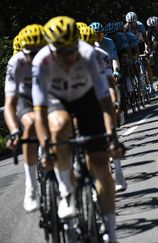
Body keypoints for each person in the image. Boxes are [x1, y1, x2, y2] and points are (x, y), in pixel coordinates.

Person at [32, 16, 124, 242]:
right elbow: (40, 111)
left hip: (87, 99)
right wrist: (46, 146)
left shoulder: (89, 55)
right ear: (50, 48)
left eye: (70, 50)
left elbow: (104, 101)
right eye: (60, 52)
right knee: (60, 127)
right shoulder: (41, 62)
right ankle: (66, 194)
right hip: (56, 101)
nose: (66, 57)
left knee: (101, 163)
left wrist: (111, 136)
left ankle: (111, 233)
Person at [77, 25, 127, 192]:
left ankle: (118, 173)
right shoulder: (65, 60)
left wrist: (114, 102)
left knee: (109, 134)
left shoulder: (101, 55)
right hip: (79, 100)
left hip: (99, 96)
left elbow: (110, 85)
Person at [4, 24, 46, 212]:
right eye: (31, 53)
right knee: (29, 125)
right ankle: (31, 187)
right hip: (26, 98)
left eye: (39, 52)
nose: (35, 57)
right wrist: (14, 131)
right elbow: (10, 104)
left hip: (49, 96)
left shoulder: (52, 58)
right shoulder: (16, 62)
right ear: (22, 50)